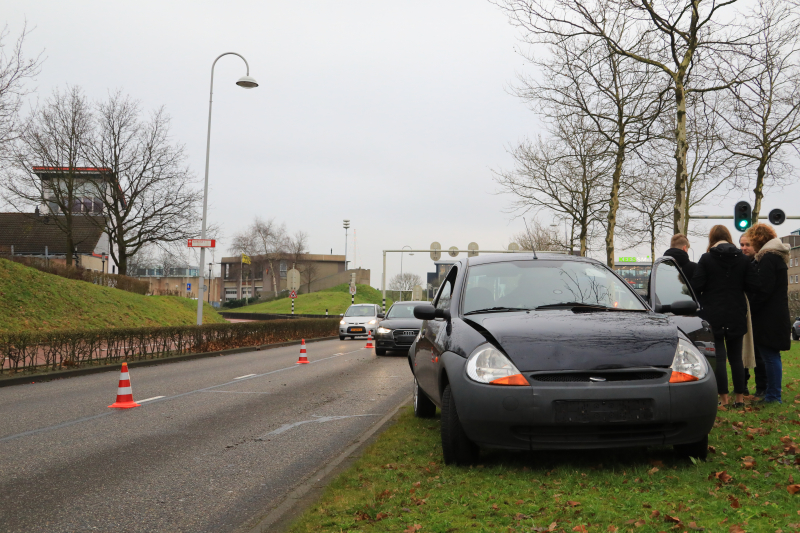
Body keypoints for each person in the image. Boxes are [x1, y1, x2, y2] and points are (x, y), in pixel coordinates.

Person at [692, 225, 760, 408]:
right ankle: (739, 398)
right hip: (736, 312)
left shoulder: (706, 259)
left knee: (720, 357)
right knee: (736, 357)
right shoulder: (743, 260)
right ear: (729, 238)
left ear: (712, 238)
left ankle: (723, 399)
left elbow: (696, 285)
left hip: (713, 313)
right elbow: (753, 286)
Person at [745, 223, 791, 404]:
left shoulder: (767, 259)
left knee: (769, 357)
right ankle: (773, 394)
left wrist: (750, 307)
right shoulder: (776, 258)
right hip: (776, 315)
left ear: (758, 240)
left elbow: (763, 289)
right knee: (772, 356)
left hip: (768, 317)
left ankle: (773, 396)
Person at [739, 233, 767, 396]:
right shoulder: (741, 263)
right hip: (744, 313)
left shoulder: (761, 263)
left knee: (759, 353)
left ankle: (762, 387)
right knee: (743, 352)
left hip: (758, 314)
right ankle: (743, 386)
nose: (744, 248)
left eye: (747, 244)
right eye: (742, 244)